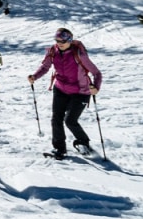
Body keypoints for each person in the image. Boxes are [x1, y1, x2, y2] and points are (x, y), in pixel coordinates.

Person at [28, 28, 103, 159]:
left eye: (62, 41)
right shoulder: (53, 51)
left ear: (69, 40)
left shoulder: (79, 54)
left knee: (70, 121)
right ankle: (59, 149)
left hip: (81, 91)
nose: (59, 43)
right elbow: (45, 67)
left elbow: (97, 73)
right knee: (56, 119)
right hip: (60, 89)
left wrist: (96, 87)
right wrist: (35, 76)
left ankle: (83, 143)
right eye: (57, 40)